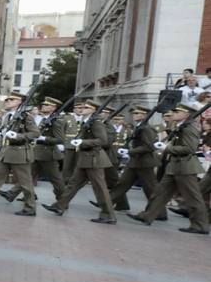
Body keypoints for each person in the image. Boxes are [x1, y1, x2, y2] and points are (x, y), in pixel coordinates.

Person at [127, 102, 209, 234]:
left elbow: (190, 148)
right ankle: (148, 215)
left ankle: (200, 225)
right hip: (175, 166)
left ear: (186, 114)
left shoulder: (189, 128)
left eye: (177, 112)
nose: (174, 114)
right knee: (160, 193)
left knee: (193, 198)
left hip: (185, 167)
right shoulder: (182, 126)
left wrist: (167, 148)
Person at [43, 99, 117, 223]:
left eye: (86, 108)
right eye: (82, 107)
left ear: (93, 110)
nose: (82, 109)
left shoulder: (96, 122)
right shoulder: (87, 121)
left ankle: (108, 215)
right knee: (72, 184)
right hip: (86, 158)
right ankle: (59, 206)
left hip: (94, 159)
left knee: (100, 188)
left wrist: (83, 142)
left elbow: (103, 140)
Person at [0, 91, 40, 215]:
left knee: (25, 183)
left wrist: (18, 135)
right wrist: (1, 134)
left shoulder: (26, 117)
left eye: (11, 100)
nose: (7, 102)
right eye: (7, 100)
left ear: (19, 102)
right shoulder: (7, 116)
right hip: (5, 151)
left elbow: (35, 133)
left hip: (19, 153)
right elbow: (2, 130)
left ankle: (30, 208)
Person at [109, 106, 159, 212]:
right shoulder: (139, 127)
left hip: (145, 162)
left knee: (150, 188)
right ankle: (107, 202)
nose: (134, 115)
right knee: (122, 183)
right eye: (134, 114)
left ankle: (159, 212)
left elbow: (149, 146)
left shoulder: (147, 128)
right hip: (135, 161)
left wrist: (130, 152)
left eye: (137, 114)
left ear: (145, 115)